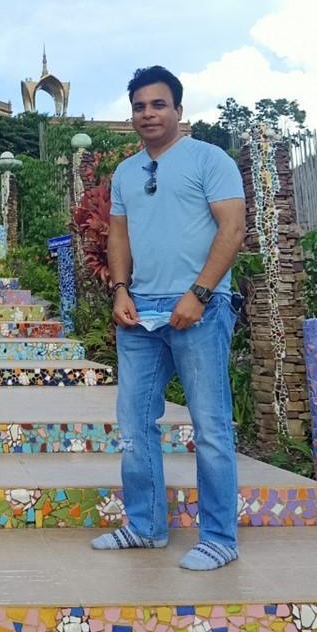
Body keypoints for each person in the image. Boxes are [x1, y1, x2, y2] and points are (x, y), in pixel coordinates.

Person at [95, 65, 245, 572]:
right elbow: (118, 235)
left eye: (158, 105)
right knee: (135, 425)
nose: (147, 114)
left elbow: (233, 229)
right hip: (140, 312)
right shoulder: (126, 172)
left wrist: (199, 293)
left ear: (178, 109)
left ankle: (220, 538)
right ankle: (145, 526)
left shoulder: (210, 159)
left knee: (210, 426)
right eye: (139, 106)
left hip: (200, 309)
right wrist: (119, 289)